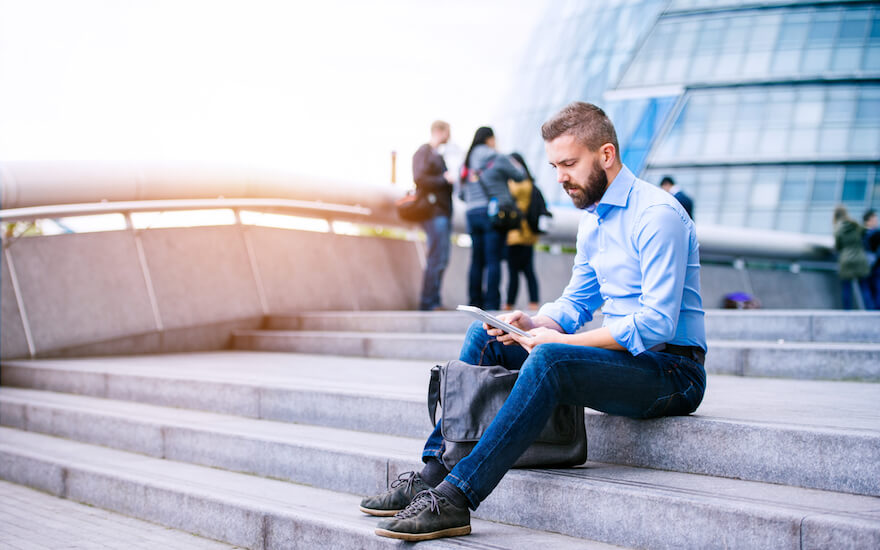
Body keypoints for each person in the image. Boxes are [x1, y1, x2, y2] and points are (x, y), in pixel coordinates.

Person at [360, 102, 707, 541]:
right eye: (554, 166)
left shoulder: (657, 215)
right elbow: (576, 303)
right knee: (486, 336)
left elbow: (656, 324)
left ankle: (457, 497)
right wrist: (532, 322)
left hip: (673, 372)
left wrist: (558, 344)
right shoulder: (593, 221)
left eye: (569, 164)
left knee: (551, 360)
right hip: (627, 362)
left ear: (606, 155)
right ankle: (433, 473)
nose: (559, 177)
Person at [460, 127, 526, 310]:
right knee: (493, 259)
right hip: (493, 214)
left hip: (472, 213)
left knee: (476, 260)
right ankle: (491, 303)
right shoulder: (497, 157)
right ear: (490, 139)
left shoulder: (465, 163)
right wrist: (514, 162)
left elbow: (460, 194)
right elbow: (520, 176)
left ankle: (474, 301)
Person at [412, 120, 456, 311]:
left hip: (442, 211)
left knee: (441, 258)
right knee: (436, 257)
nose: (449, 136)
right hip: (433, 212)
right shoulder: (424, 151)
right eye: (448, 132)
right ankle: (428, 302)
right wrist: (443, 179)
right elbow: (419, 178)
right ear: (440, 131)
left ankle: (433, 300)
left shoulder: (437, 154)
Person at [504, 152, 544, 311]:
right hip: (529, 234)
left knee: (513, 272)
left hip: (514, 234)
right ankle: (533, 302)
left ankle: (509, 304)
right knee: (529, 271)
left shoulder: (513, 184)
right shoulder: (530, 184)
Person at [833, 205, 874, 310]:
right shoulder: (855, 225)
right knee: (864, 288)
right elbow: (866, 234)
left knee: (846, 288)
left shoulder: (838, 229)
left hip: (846, 260)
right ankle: (870, 312)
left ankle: (847, 312)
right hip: (860, 259)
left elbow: (838, 247)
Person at [864, 209, 880, 309]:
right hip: (875, 266)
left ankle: (871, 310)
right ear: (868, 221)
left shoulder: (862, 234)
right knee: (876, 289)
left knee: (870, 290)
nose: (876, 221)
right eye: (874, 219)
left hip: (867, 265)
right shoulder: (876, 234)